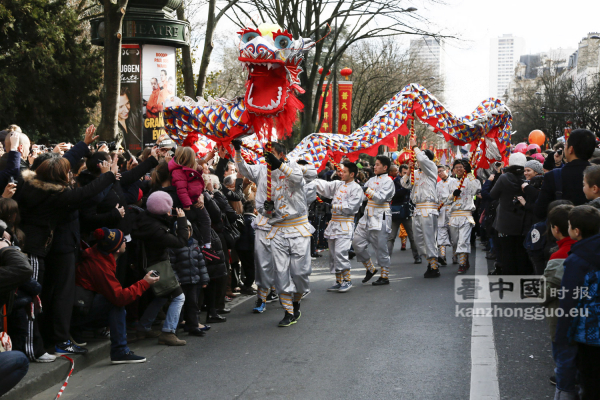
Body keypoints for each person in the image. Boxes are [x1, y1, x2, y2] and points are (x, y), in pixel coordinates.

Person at [234, 140, 311, 326]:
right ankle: (288, 312)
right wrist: (237, 150)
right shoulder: (262, 170)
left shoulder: (293, 166)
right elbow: (243, 169)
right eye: (265, 153)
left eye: (271, 154)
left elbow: (299, 181)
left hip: (298, 227)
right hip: (276, 229)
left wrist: (280, 166)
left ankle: (296, 301)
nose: (266, 157)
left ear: (281, 155)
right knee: (281, 272)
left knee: (300, 274)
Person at [73, 227, 158, 364]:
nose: (126, 242)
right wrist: (144, 283)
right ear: (117, 249)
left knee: (115, 300)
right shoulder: (101, 266)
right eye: (124, 240)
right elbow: (119, 298)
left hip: (82, 307)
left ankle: (119, 349)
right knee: (116, 303)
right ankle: (120, 351)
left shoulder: (101, 255)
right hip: (79, 314)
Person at [553, 205, 600, 400]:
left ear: (576, 231)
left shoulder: (577, 260)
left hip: (588, 332)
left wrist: (562, 335)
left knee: (590, 381)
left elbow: (569, 299)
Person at [131, 191, 190, 346]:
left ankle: (143, 327)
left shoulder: (144, 219)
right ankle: (168, 332)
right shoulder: (157, 230)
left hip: (147, 265)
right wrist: (182, 221)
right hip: (157, 266)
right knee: (178, 296)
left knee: (162, 296)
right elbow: (181, 242)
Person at [311, 161, 364, 292]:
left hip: (345, 224)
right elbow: (325, 186)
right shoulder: (338, 184)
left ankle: (347, 280)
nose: (341, 173)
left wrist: (331, 206)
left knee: (341, 252)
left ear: (352, 174)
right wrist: (310, 180)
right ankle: (338, 281)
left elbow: (352, 207)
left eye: (344, 171)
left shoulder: (356, 188)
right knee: (333, 254)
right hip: (334, 223)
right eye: (341, 171)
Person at [535, 129, 596, 219]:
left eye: (566, 145)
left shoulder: (552, 176)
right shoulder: (596, 174)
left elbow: (540, 211)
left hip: (562, 229)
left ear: (571, 149)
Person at [401, 136, 440, 278]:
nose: (418, 161)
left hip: (428, 208)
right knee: (418, 240)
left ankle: (434, 265)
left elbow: (423, 160)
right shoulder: (416, 173)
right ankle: (430, 260)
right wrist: (409, 170)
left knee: (429, 237)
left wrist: (414, 146)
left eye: (419, 159)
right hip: (417, 209)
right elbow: (405, 185)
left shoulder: (432, 169)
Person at [353, 155, 395, 285]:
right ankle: (370, 268)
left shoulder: (388, 181)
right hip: (367, 215)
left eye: (377, 164)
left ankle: (385, 275)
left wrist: (368, 191)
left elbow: (380, 198)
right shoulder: (371, 180)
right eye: (375, 164)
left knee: (380, 247)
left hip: (380, 215)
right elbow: (363, 197)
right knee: (356, 242)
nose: (374, 166)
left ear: (385, 167)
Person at [490, 152, 532, 275]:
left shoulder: (504, 178)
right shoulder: (527, 178)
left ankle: (509, 280)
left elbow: (493, 194)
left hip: (504, 222)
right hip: (523, 221)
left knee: (506, 252)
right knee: (521, 251)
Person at [168, 220, 210, 337]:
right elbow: (171, 265)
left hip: (194, 279)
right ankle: (173, 329)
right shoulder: (174, 245)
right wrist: (176, 279)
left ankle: (193, 326)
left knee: (193, 304)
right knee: (178, 305)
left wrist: (204, 279)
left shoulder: (195, 244)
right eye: (184, 230)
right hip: (181, 281)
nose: (187, 232)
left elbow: (201, 263)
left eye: (189, 229)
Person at [445, 159, 481, 274]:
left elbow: (477, 189)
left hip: (466, 215)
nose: (459, 169)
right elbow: (445, 200)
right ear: (453, 170)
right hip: (454, 216)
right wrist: (452, 195)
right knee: (455, 242)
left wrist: (470, 173)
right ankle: (464, 259)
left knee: (463, 240)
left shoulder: (470, 180)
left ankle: (462, 264)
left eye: (461, 167)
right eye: (456, 167)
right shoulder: (450, 182)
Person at [388, 164, 420, 263]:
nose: (407, 174)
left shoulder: (413, 180)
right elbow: (394, 195)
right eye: (405, 173)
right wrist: (406, 188)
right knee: (391, 237)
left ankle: (417, 256)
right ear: (400, 173)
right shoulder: (396, 181)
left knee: (413, 236)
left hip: (407, 212)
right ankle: (386, 258)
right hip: (396, 212)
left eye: (409, 173)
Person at [436, 164, 456, 265]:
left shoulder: (454, 181)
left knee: (454, 234)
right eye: (438, 172)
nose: (440, 173)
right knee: (441, 232)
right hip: (441, 210)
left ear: (447, 170)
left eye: (441, 171)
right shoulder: (438, 185)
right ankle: (442, 256)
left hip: (451, 209)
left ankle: (455, 255)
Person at [235, 200, 257, 295]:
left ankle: (247, 285)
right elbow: (253, 235)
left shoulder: (242, 218)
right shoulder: (252, 220)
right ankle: (247, 286)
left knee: (246, 266)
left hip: (240, 247)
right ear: (254, 210)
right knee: (251, 267)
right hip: (249, 248)